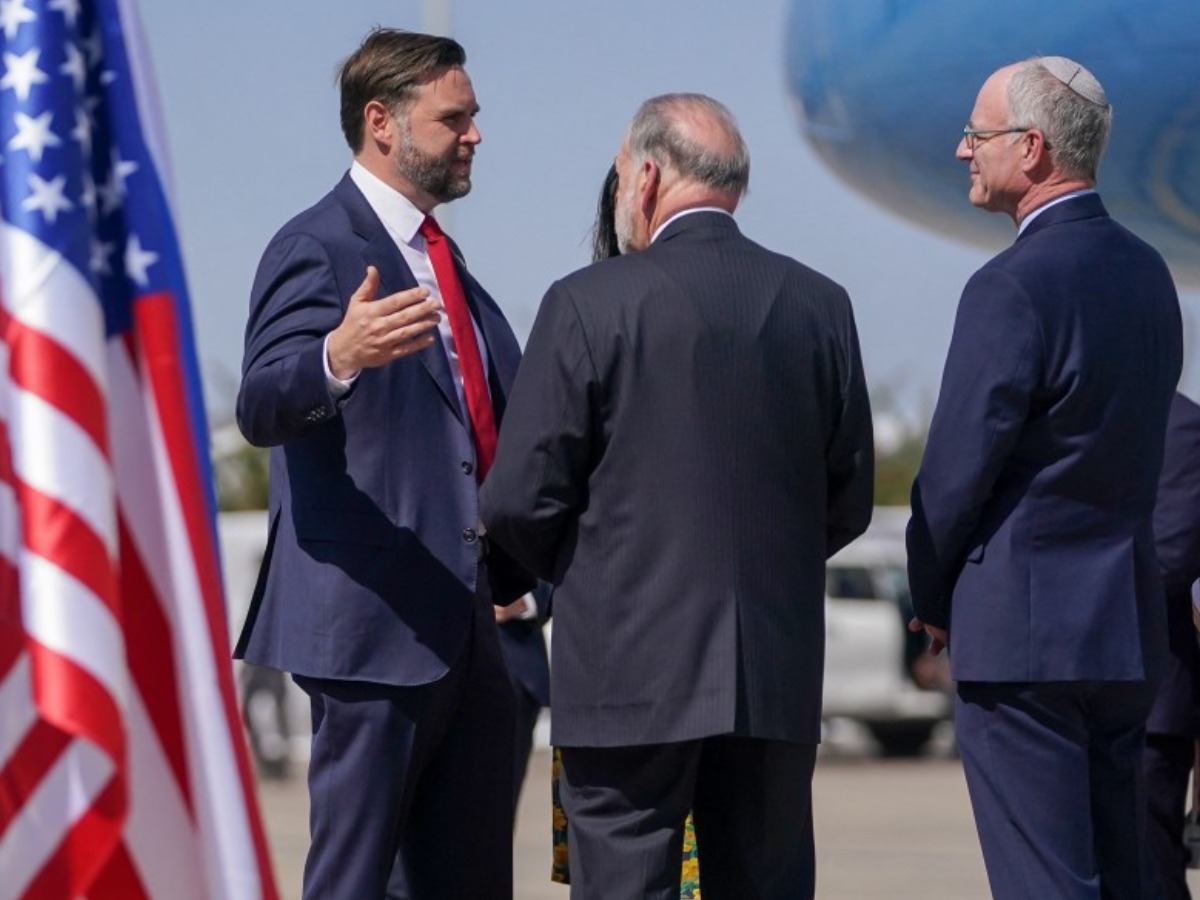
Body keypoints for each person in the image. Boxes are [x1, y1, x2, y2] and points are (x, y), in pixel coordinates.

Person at [481, 93, 874, 900]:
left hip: (626, 672)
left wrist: (576, 577)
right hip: (773, 672)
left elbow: (522, 497)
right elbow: (848, 497)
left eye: (622, 174)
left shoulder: (591, 302)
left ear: (648, 175)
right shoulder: (820, 305)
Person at [234, 28, 530, 900]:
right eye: (455, 118)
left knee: (466, 880)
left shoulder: (447, 262)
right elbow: (260, 404)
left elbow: (483, 427)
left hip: (471, 630)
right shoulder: (317, 246)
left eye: (473, 117)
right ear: (382, 123)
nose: (475, 134)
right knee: (356, 880)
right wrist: (336, 354)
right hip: (371, 633)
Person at [906, 56, 1183, 900]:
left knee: (1045, 882)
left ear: (1031, 148)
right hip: (1126, 633)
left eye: (976, 134)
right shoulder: (1150, 276)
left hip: (1023, 642)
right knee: (1125, 877)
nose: (962, 151)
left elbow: (954, 475)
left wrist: (932, 598)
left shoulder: (1011, 286)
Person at [1146, 392, 1200, 900]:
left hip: (1151, 702)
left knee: (1152, 869)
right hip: (1065, 692)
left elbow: (1172, 559)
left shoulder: (1182, 427)